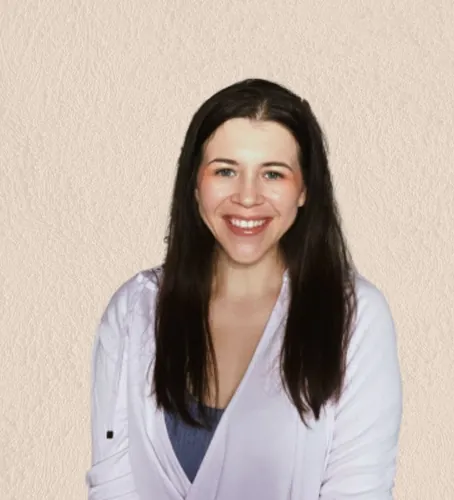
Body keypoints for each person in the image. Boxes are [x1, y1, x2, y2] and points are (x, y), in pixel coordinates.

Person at [86, 78, 403, 499]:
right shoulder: (133, 311)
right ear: (195, 184)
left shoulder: (354, 317)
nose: (248, 197)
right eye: (225, 171)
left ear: (304, 189)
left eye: (272, 173)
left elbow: (359, 489)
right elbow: (112, 485)